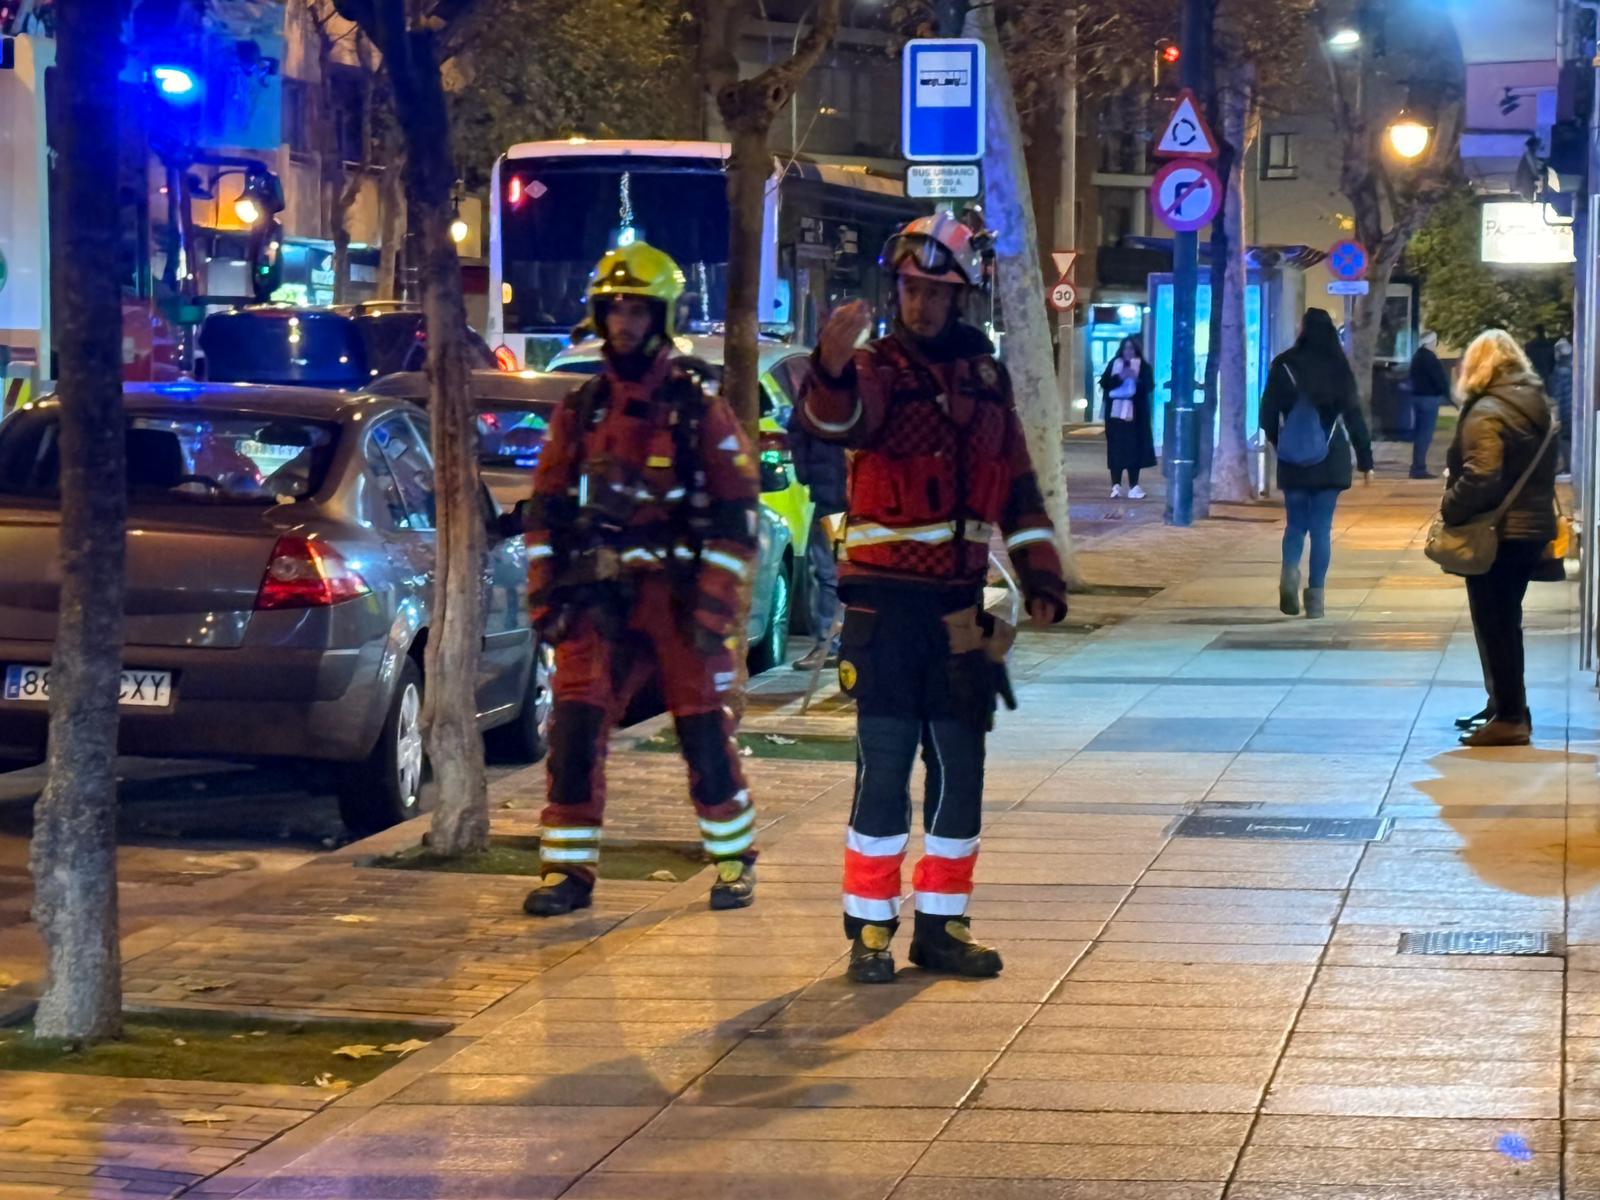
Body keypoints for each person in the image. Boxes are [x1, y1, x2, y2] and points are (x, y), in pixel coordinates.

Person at [799, 211, 1068, 985]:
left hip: (959, 608)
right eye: (911, 291)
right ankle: (871, 930)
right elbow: (838, 418)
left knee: (960, 769)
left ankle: (942, 927)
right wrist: (830, 362)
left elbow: (1016, 484)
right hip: (884, 610)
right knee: (883, 768)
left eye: (935, 294)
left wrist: (1041, 574)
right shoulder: (876, 369)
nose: (920, 306)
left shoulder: (986, 381)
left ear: (962, 299)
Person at [520, 240, 762, 916]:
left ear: (661, 317)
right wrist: (546, 592)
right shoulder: (582, 409)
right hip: (597, 599)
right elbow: (548, 508)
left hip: (679, 602)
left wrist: (713, 611)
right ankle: (565, 872)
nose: (624, 323)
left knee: (704, 736)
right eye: (614, 309)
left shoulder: (697, 410)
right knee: (571, 734)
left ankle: (733, 859)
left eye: (636, 310)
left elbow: (738, 520)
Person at [1445, 330, 1558, 748]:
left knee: (1495, 622)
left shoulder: (1488, 410)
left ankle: (1510, 716)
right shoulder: (1534, 405)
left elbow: (1482, 475)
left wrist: (1451, 508)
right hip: (1527, 529)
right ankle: (1504, 704)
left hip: (1499, 531)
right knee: (1504, 621)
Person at [1260, 308, 1374, 619]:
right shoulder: (1339, 367)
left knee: (1295, 524)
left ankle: (1289, 572)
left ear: (1303, 330)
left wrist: (1279, 442)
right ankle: (1316, 598)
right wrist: (1366, 460)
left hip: (1293, 458)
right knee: (1322, 529)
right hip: (1330, 457)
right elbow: (1354, 417)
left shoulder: (1283, 365)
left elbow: (1266, 413)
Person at [787, 402, 847, 670]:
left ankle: (830, 643)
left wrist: (808, 473)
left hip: (837, 497)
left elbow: (798, 431)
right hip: (842, 496)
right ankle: (832, 643)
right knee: (829, 571)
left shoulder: (818, 388)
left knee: (828, 571)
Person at [1098, 336, 1157, 499]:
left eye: (1131, 348)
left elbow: (1149, 386)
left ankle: (1134, 485)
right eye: (1126, 348)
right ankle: (1115, 485)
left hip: (1135, 416)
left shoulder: (1143, 366)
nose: (1128, 351)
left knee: (1134, 450)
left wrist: (1136, 379)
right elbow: (1104, 383)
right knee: (1116, 449)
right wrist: (1120, 377)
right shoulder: (1114, 364)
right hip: (1115, 415)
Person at [1407, 331, 1451, 480]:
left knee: (1419, 434)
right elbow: (1440, 380)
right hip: (1429, 399)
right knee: (1425, 434)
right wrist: (1449, 396)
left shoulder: (1416, 357)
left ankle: (1417, 466)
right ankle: (1419, 468)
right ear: (1430, 343)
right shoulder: (1430, 359)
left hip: (1417, 398)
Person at [1551, 338, 1574, 477]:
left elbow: (1557, 396)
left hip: (1564, 413)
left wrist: (1555, 414)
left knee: (1564, 440)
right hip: (1574, 412)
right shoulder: (1575, 369)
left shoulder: (1559, 372)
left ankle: (1567, 466)